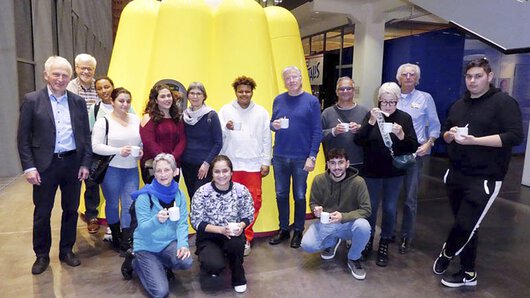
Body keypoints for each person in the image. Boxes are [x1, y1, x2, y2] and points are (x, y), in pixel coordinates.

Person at [433, 58, 523, 288]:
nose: (472, 81)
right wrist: (449, 135)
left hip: (485, 177)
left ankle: (448, 251)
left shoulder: (503, 103)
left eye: (478, 76)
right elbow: (444, 132)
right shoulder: (458, 105)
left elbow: (514, 136)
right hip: (456, 173)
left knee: (465, 224)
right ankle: (468, 272)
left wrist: (476, 141)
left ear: (490, 77)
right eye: (469, 76)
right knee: (471, 225)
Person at [17, 56, 92, 274]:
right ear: (46, 75)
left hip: (72, 164)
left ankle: (66, 250)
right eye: (56, 74)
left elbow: (85, 137)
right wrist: (29, 167)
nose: (60, 79)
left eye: (64, 75)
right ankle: (41, 255)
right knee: (42, 212)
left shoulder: (77, 102)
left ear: (70, 77)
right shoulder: (32, 100)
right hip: (44, 166)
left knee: (70, 209)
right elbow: (23, 138)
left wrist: (85, 163)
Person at [354, 82, 418, 267]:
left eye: (392, 102)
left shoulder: (404, 118)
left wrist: (401, 136)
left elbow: (412, 145)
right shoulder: (372, 115)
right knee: (371, 209)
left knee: (390, 208)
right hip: (372, 172)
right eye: (384, 101)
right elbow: (359, 140)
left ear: (397, 101)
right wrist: (371, 123)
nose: (388, 105)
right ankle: (368, 241)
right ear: (379, 100)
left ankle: (384, 242)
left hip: (394, 173)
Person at [123, 153, 192, 298]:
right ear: (154, 173)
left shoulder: (178, 194)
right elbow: (142, 228)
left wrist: (183, 244)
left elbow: (182, 223)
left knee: (186, 261)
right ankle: (136, 262)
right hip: (147, 246)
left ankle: (160, 264)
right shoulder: (144, 196)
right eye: (158, 171)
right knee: (160, 293)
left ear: (175, 172)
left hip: (168, 244)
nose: (162, 174)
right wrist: (156, 220)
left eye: (167, 170)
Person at [269, 66, 323, 249]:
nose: (291, 80)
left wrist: (312, 156)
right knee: (281, 194)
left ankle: (298, 230)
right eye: (288, 78)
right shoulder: (278, 100)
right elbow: (272, 124)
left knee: (299, 195)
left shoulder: (311, 101)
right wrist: (273, 125)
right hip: (280, 156)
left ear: (301, 79)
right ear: (284, 81)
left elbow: (317, 131)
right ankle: (284, 229)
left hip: (302, 157)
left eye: (294, 77)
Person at [219, 76, 272, 256]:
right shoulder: (225, 110)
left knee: (253, 202)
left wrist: (266, 162)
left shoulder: (262, 112)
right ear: (236, 92)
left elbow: (266, 138)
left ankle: (246, 238)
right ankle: (230, 236)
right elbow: (218, 136)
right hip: (231, 164)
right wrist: (226, 128)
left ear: (252, 92)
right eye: (240, 91)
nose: (244, 94)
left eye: (247, 91)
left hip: (253, 165)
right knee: (228, 202)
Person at [300, 148, 371, 280]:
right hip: (327, 223)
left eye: (340, 162)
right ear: (327, 164)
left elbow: (366, 210)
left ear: (347, 164)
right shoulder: (319, 180)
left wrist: (343, 217)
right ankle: (332, 242)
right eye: (332, 163)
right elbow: (313, 202)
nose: (336, 167)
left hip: (349, 224)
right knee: (307, 245)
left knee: (364, 226)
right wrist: (316, 209)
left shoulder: (358, 182)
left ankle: (354, 258)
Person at [190, 155, 254, 293]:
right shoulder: (202, 192)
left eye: (225, 171)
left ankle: (238, 276)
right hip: (208, 236)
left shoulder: (241, 191)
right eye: (217, 171)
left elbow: (248, 215)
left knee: (236, 244)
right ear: (211, 173)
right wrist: (220, 230)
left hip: (233, 234)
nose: (221, 175)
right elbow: (196, 222)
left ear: (231, 172)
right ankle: (213, 259)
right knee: (213, 266)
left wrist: (241, 226)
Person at [395, 63, 441, 253]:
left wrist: (429, 144)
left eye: (411, 75)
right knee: (390, 197)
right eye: (404, 75)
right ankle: (388, 233)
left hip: (415, 155)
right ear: (398, 78)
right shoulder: (391, 95)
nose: (407, 77)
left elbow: (435, 125)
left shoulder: (425, 98)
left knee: (410, 198)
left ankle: (407, 235)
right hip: (394, 153)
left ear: (417, 78)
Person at [92, 87, 142, 254]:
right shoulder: (103, 122)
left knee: (129, 204)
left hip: (131, 170)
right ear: (112, 102)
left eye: (128, 101)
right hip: (112, 169)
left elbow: (141, 141)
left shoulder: (136, 120)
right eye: (121, 101)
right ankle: (115, 234)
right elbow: (96, 146)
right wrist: (117, 150)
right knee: (112, 204)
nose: (125, 104)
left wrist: (140, 150)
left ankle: (126, 240)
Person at [67, 53, 100, 234]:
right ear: (76, 68)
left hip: (97, 140)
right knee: (74, 182)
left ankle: (92, 215)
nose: (86, 71)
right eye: (82, 68)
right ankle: (71, 217)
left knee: (93, 180)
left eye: (90, 68)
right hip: (77, 141)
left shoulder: (99, 86)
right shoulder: (69, 87)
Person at [181, 82, 222, 199]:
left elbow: (218, 142)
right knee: (192, 198)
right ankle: (194, 218)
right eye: (192, 93)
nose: (195, 96)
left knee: (202, 199)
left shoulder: (211, 116)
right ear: (187, 96)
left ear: (204, 96)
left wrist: (206, 163)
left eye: (198, 93)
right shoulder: (183, 116)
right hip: (187, 165)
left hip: (204, 166)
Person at [140, 83, 187, 184]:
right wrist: (164, 161)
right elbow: (149, 142)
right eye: (162, 96)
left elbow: (182, 141)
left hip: (173, 166)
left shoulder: (177, 117)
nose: (167, 99)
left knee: (171, 197)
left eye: (169, 95)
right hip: (154, 166)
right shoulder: (148, 118)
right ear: (156, 100)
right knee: (155, 198)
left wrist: (172, 158)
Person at [321, 77, 368, 173]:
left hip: (359, 164)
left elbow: (372, 137)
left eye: (349, 88)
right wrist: (333, 131)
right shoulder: (327, 113)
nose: (345, 91)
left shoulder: (365, 112)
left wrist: (360, 129)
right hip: (334, 165)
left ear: (354, 91)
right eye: (341, 89)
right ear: (337, 92)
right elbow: (317, 135)